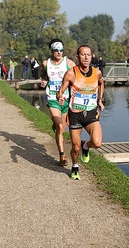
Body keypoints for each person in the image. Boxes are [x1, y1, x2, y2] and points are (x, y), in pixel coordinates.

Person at [56, 45, 105, 180]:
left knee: (97, 143)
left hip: (91, 113)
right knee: (75, 147)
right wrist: (60, 97)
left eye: (88, 55)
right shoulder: (71, 74)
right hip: (75, 114)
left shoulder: (97, 73)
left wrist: (100, 99)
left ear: (91, 56)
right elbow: (60, 91)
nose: (86, 57)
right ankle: (75, 166)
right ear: (77, 57)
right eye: (83, 55)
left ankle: (86, 145)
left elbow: (101, 83)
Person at [41, 38, 76, 166]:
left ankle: (55, 125)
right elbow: (44, 74)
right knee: (60, 126)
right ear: (52, 51)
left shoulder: (69, 63)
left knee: (62, 129)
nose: (59, 53)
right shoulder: (46, 63)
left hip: (65, 99)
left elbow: (76, 80)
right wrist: (44, 80)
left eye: (61, 50)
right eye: (56, 50)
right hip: (52, 98)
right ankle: (62, 155)